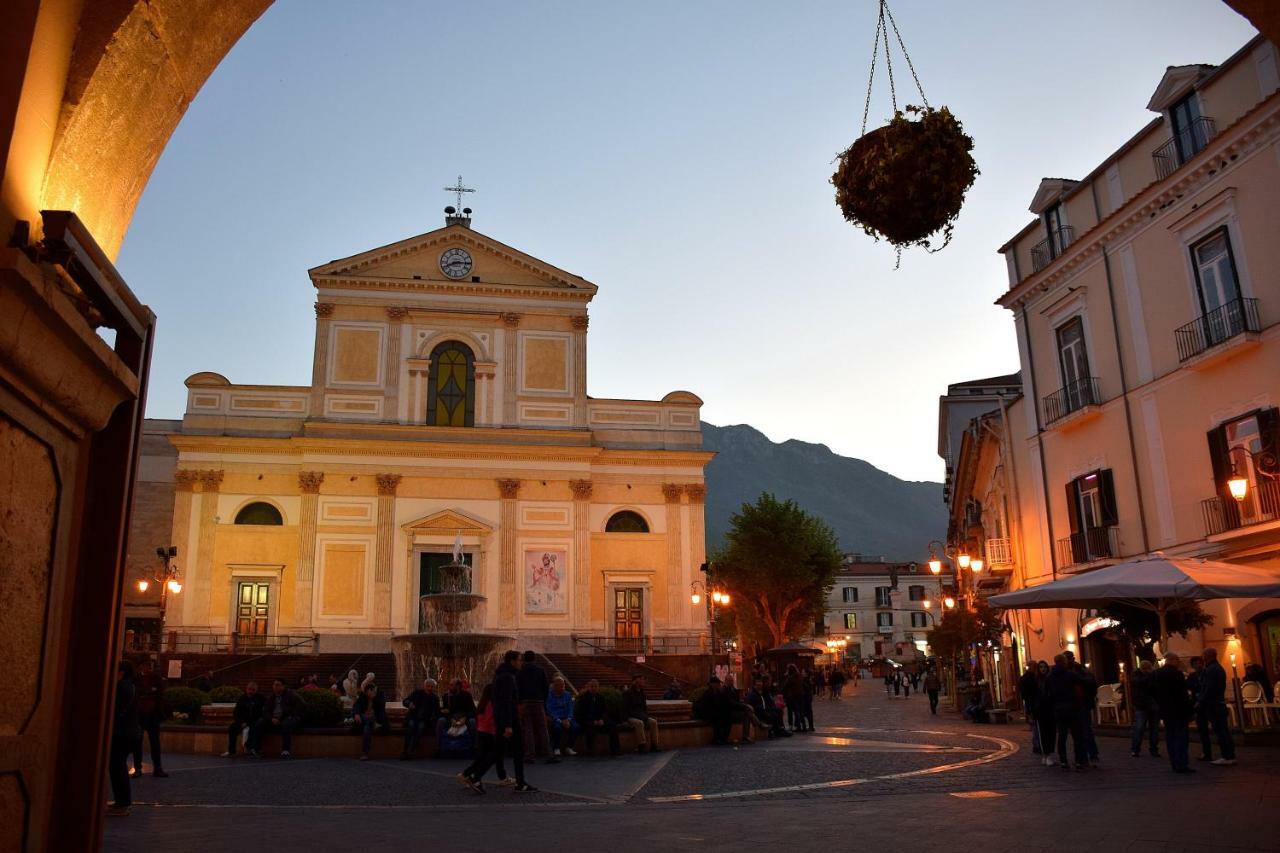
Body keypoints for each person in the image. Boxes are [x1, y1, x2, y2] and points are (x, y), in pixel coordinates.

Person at [489, 651, 536, 791]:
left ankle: (475, 775)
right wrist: (509, 725)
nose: (521, 663)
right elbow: (506, 701)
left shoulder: (501, 675)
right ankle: (473, 775)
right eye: (519, 660)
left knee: (499, 750)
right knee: (514, 751)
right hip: (509, 721)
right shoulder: (508, 677)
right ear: (512, 661)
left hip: (502, 719)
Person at [459, 684, 511, 791]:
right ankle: (475, 777)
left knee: (485, 756)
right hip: (492, 733)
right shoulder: (493, 704)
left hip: (482, 731)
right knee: (493, 756)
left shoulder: (483, 704)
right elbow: (492, 720)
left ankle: (467, 774)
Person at [108, 661, 140, 816]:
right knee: (118, 765)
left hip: (121, 732)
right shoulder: (131, 686)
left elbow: (114, 708)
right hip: (130, 732)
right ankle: (122, 802)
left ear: (121, 672)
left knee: (117, 766)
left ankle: (122, 803)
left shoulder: (121, 688)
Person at [1154, 652, 1194, 773]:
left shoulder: (1157, 674)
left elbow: (1153, 691)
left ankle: (1174, 762)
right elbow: (1182, 694)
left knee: (1170, 736)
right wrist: (1189, 710)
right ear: (1172, 660)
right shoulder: (1177, 674)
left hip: (1165, 710)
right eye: (1177, 660)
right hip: (1179, 710)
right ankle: (1181, 763)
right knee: (1181, 737)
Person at [1043, 654, 1084, 770]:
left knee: (1062, 735)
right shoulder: (1070, 674)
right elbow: (1081, 684)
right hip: (1071, 707)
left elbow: (1047, 694)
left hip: (1058, 709)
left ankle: (1063, 761)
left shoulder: (1050, 677)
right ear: (1064, 662)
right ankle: (1079, 761)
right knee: (1077, 736)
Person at [1196, 648, 1236, 765]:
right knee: (1223, 730)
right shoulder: (1216, 668)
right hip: (1217, 703)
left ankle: (1227, 756)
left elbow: (1209, 688)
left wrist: (1200, 700)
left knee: (1221, 730)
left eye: (1203, 655)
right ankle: (1229, 755)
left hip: (1214, 704)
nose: (1202, 658)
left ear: (1207, 656)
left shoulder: (1211, 669)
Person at [131, 657, 168, 777]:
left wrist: (148, 692)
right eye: (146, 665)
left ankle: (157, 768)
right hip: (140, 714)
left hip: (152, 715)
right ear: (141, 666)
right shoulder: (136, 679)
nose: (148, 668)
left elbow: (160, 692)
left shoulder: (156, 678)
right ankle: (138, 768)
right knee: (137, 743)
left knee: (155, 743)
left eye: (150, 665)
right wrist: (150, 691)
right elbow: (138, 692)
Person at [1065, 652, 1100, 766]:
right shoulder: (1068, 672)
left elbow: (1091, 684)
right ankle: (1084, 756)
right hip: (1074, 705)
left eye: (1068, 659)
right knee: (1080, 732)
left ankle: (1089, 755)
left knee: (1085, 731)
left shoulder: (1081, 671)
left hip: (1082, 704)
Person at [516, 650, 552, 762]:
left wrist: (520, 702)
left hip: (526, 702)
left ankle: (530, 755)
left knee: (528, 729)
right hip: (538, 702)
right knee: (542, 728)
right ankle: (548, 754)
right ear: (534, 658)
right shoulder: (540, 670)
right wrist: (542, 699)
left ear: (523, 659)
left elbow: (517, 688)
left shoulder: (520, 671)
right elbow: (546, 687)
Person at [253, 679, 302, 757]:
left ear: (283, 686)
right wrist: (271, 718)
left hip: (288, 717)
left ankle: (286, 750)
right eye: (274, 685)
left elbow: (300, 706)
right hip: (274, 719)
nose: (275, 687)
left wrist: (286, 716)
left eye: (277, 685)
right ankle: (256, 749)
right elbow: (266, 711)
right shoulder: (271, 697)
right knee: (260, 723)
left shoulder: (291, 695)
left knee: (286, 724)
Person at [575, 678, 621, 756]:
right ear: (588, 687)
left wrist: (602, 719)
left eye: (595, 686)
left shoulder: (601, 698)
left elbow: (605, 711)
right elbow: (581, 714)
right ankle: (590, 750)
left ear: (598, 687)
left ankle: (615, 750)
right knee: (589, 729)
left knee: (612, 726)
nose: (594, 688)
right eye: (592, 686)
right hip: (588, 721)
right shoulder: (583, 698)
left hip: (599, 721)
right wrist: (593, 721)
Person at [401, 677, 441, 760]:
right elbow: (405, 701)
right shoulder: (417, 693)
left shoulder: (435, 698)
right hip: (413, 717)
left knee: (420, 729)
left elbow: (437, 712)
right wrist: (409, 704)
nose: (430, 688)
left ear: (434, 687)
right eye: (428, 686)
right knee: (411, 727)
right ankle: (405, 751)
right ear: (424, 686)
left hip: (424, 720)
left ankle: (410, 751)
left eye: (432, 686)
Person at [222, 680, 265, 757]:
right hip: (242, 722)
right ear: (246, 689)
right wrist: (241, 722)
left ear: (256, 690)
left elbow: (261, 713)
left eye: (253, 690)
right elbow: (236, 713)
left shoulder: (260, 699)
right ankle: (231, 751)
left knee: (256, 726)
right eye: (249, 689)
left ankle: (251, 748)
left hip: (254, 721)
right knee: (232, 728)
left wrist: (249, 722)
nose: (250, 692)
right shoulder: (242, 698)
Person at [622, 674, 661, 753]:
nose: (643, 681)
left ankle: (654, 745)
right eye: (642, 679)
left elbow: (644, 707)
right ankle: (641, 745)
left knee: (653, 722)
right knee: (639, 723)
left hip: (641, 716)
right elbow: (624, 708)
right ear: (636, 681)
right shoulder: (628, 693)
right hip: (631, 716)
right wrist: (624, 720)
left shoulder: (642, 693)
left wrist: (646, 716)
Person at [1129, 660, 1160, 758]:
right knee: (1139, 728)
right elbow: (1138, 683)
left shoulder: (1153, 676)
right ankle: (1135, 749)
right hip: (1141, 705)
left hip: (1153, 704)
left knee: (1154, 729)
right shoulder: (1136, 675)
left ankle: (1154, 749)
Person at [436, 678, 478, 746]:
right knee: (441, 721)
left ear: (458, 686)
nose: (450, 686)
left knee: (473, 722)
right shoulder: (446, 696)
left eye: (452, 685)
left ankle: (474, 746)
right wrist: (451, 719)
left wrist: (465, 718)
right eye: (450, 685)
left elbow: (472, 710)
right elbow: (445, 711)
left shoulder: (467, 695)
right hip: (451, 718)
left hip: (464, 717)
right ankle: (438, 746)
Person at [694, 676, 734, 745]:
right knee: (718, 719)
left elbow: (723, 702)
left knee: (727, 717)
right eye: (717, 683)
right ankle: (717, 739)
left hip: (714, 712)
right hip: (706, 714)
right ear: (712, 684)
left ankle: (723, 739)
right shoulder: (708, 692)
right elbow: (707, 706)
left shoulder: (718, 692)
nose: (719, 685)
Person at [545, 676, 578, 756]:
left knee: (576, 727)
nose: (562, 687)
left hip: (566, 718)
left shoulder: (568, 694)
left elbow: (570, 709)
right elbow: (550, 710)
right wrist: (560, 720)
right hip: (556, 718)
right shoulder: (549, 696)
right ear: (554, 686)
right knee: (557, 728)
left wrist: (568, 719)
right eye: (559, 685)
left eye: (563, 685)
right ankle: (556, 748)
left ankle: (569, 747)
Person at [353, 683, 385, 760]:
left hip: (374, 719)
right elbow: (356, 705)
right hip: (364, 719)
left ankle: (365, 753)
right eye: (372, 691)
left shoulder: (379, 696)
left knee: (366, 729)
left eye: (374, 691)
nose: (374, 692)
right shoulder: (362, 697)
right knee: (367, 720)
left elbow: (382, 706)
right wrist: (356, 714)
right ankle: (373, 723)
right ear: (368, 691)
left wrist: (374, 698)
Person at [782, 664, 805, 731]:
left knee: (791, 711)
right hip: (800, 695)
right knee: (799, 711)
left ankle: (792, 725)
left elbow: (785, 686)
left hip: (792, 696)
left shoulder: (790, 678)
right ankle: (801, 725)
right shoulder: (799, 676)